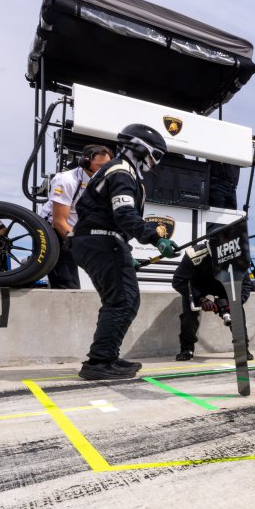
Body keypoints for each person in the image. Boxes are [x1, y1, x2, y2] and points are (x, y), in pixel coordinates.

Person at [71, 124, 179, 381]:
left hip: (99, 241)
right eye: (155, 155)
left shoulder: (119, 170)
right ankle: (99, 362)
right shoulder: (122, 172)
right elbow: (124, 214)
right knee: (123, 301)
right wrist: (157, 239)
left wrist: (126, 253)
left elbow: (109, 216)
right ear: (140, 149)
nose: (155, 163)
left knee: (117, 301)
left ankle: (106, 357)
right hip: (101, 241)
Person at [37, 144, 114, 289]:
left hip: (74, 231)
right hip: (52, 231)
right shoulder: (66, 180)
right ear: (85, 162)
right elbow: (59, 222)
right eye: (100, 166)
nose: (104, 171)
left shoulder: (105, 184)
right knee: (68, 286)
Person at [171, 234, 254, 361]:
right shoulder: (193, 254)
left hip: (223, 288)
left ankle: (242, 349)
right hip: (198, 287)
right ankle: (186, 349)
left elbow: (245, 285)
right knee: (189, 316)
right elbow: (178, 281)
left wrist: (234, 302)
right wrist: (201, 298)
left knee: (237, 312)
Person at [208, 137, 255, 209]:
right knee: (215, 213)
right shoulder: (216, 148)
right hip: (217, 186)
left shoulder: (237, 157)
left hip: (232, 189)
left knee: (231, 215)